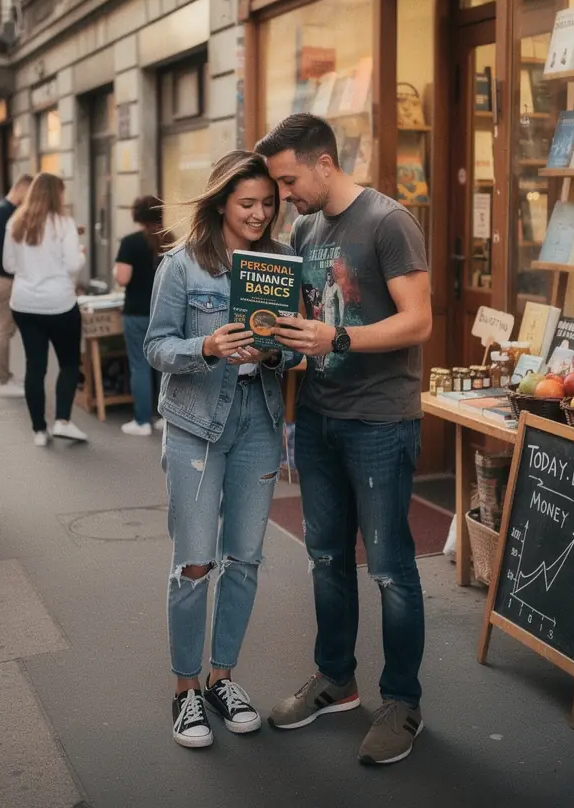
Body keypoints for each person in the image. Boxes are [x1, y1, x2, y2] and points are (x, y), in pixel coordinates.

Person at [256, 113, 432, 766]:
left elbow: (418, 322)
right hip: (321, 416)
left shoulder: (388, 222)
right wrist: (279, 339)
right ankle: (336, 680)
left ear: (323, 163)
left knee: (389, 570)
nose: (284, 195)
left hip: (382, 421)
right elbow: (314, 319)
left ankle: (403, 702)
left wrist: (340, 339)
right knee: (325, 558)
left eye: (289, 179)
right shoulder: (305, 229)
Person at [144, 151, 299, 750]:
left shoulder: (282, 263)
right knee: (195, 561)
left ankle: (222, 679)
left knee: (245, 558)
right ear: (220, 204)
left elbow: (295, 352)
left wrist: (277, 352)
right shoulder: (182, 265)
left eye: (268, 203)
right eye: (247, 204)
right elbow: (157, 346)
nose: (260, 214)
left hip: (258, 421)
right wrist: (206, 346)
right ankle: (185, 690)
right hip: (194, 424)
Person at [2, 173, 88, 446]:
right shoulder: (64, 224)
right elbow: (74, 264)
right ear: (56, 194)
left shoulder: (15, 222)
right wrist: (81, 253)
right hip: (59, 303)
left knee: (34, 366)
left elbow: (8, 265)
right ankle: (62, 420)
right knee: (69, 363)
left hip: (25, 303)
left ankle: (39, 430)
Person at [114, 195, 173, 437]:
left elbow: (122, 278)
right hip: (165, 311)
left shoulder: (130, 242)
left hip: (137, 312)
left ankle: (141, 420)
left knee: (139, 365)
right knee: (164, 366)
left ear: (137, 216)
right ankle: (164, 417)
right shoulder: (172, 240)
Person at [0, 175, 33, 397]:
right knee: (4, 330)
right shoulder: (2, 212)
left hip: (7, 277)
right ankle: (2, 379)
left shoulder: (4, 210)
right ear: (21, 190)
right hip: (5, 278)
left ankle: (4, 376)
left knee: (6, 329)